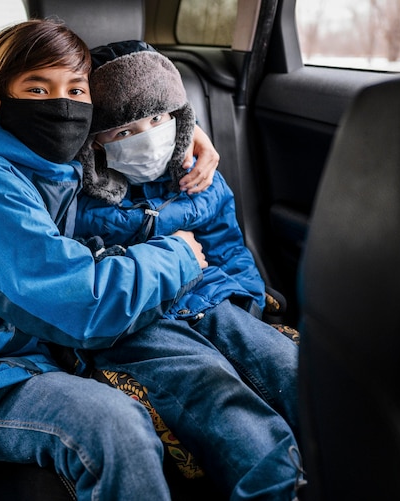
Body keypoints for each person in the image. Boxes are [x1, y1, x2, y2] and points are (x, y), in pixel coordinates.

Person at [0, 20, 218, 501]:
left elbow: (140, 95)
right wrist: (177, 257)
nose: (62, 104)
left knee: (118, 426)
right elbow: (78, 303)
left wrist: (187, 132)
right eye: (37, 88)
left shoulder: (63, 173)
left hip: (13, 368)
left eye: (75, 89)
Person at [74, 40, 305, 500]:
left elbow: (227, 244)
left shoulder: (196, 175)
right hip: (141, 320)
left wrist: (248, 298)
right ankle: (277, 487)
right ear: (91, 141)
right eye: (123, 131)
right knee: (214, 391)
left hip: (211, 299)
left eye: (158, 120)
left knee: (289, 366)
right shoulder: (77, 200)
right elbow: (83, 277)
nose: (147, 136)